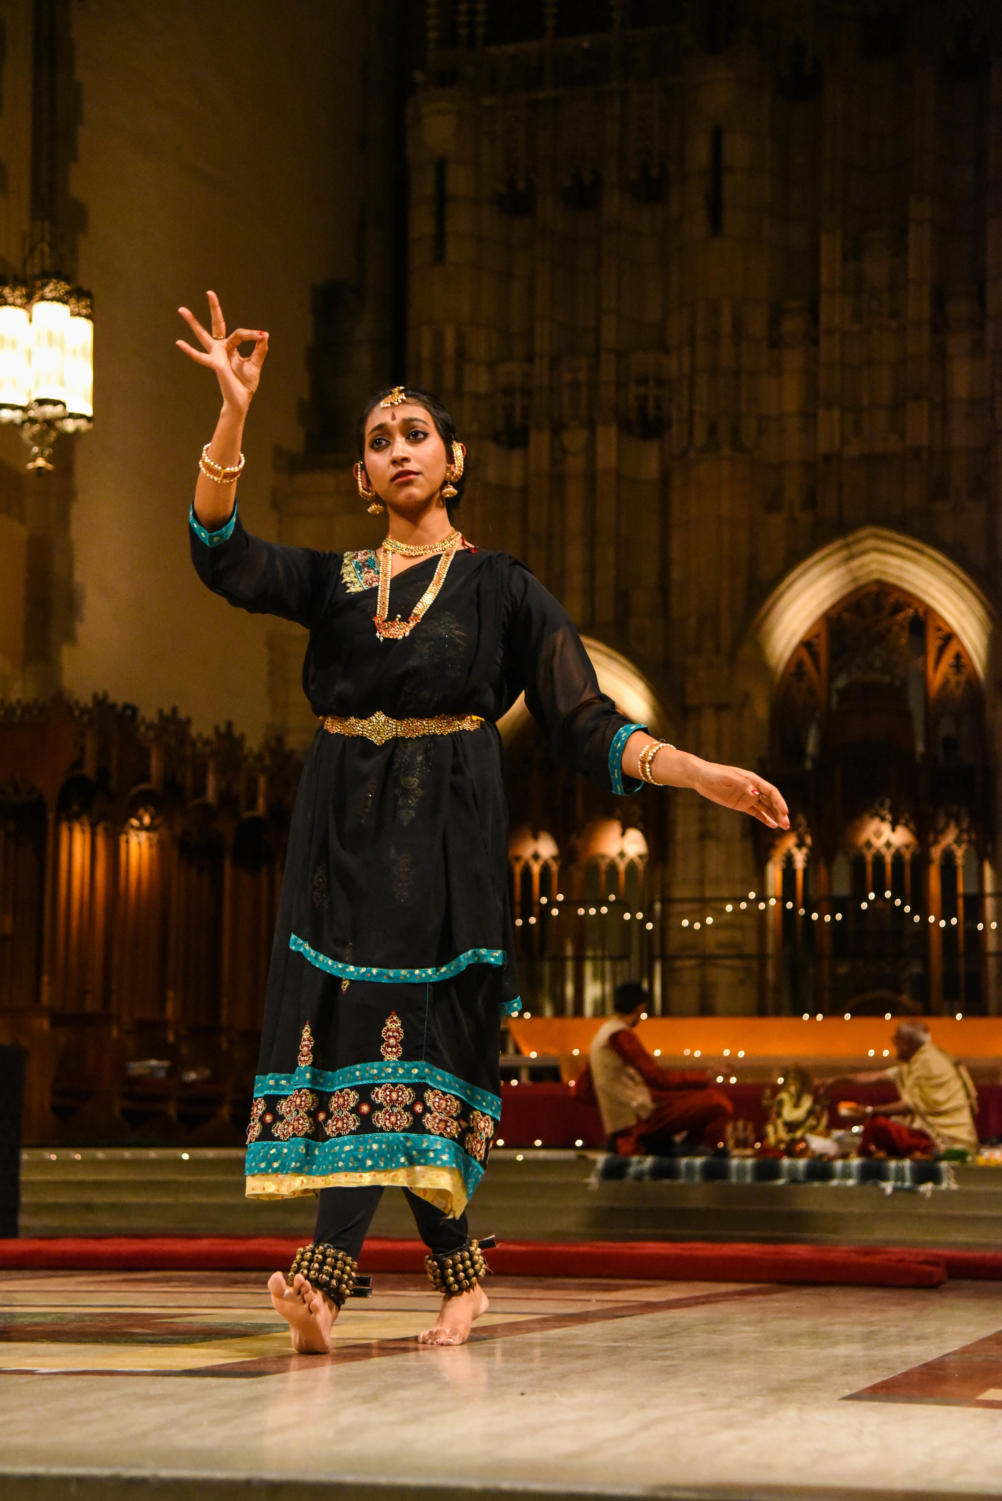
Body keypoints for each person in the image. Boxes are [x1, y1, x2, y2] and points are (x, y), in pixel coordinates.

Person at [176, 291, 790, 1352]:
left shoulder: (503, 588)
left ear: (452, 459)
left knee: (400, 1041)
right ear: (363, 477)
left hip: (443, 840)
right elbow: (221, 553)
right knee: (368, 1050)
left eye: (416, 433)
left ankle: (327, 1277)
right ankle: (458, 1273)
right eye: (379, 441)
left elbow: (585, 722)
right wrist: (233, 412)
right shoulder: (335, 584)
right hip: (340, 837)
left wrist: (698, 774)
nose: (397, 449)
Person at [579, 981, 734, 1154]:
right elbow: (658, 1078)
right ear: (640, 1008)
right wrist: (706, 1075)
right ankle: (691, 1152)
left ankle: (689, 1150)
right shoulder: (620, 1036)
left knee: (699, 1099)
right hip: (638, 1122)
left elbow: (583, 1090)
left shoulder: (602, 1035)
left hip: (625, 1119)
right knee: (717, 1103)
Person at [819, 1020, 978, 1158]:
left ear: (906, 1042)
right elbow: (877, 1077)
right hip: (931, 1133)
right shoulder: (917, 1059)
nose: (893, 1042)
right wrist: (837, 1080)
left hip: (946, 1138)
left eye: (896, 1039)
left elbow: (909, 1106)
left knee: (878, 1126)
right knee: (879, 1128)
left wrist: (869, 1111)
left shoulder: (928, 1063)